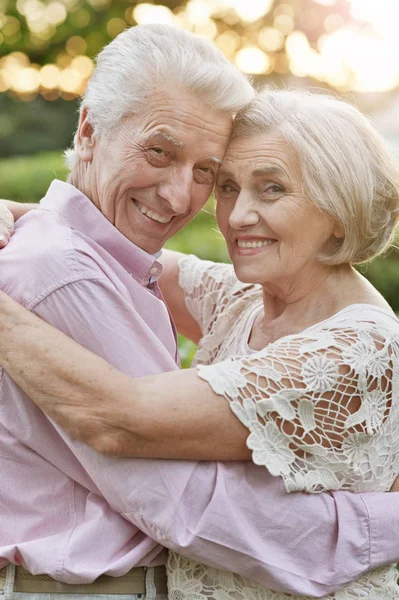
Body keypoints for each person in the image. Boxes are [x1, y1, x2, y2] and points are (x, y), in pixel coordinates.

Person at [1, 88, 399, 600]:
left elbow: (118, 418)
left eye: (272, 189)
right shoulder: (247, 299)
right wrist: (21, 213)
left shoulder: (351, 352)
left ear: (340, 209)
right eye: (229, 186)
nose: (234, 217)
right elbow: (107, 250)